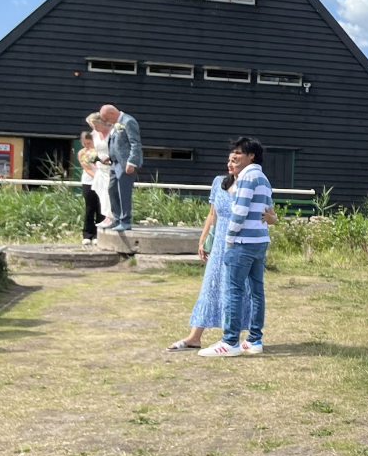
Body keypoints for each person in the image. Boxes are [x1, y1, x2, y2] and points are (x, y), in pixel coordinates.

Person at [167, 149, 276, 352]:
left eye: (235, 159)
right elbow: (212, 214)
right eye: (229, 160)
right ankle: (194, 336)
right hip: (220, 241)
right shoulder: (219, 182)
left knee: (239, 289)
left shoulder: (252, 182)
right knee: (211, 285)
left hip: (239, 240)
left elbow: (270, 214)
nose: (230, 163)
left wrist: (268, 218)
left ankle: (238, 338)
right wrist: (203, 240)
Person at [199, 137, 272, 357]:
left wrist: (229, 238)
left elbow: (239, 211)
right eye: (233, 153)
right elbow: (268, 212)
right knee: (256, 291)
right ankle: (254, 339)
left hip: (242, 243)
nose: (234, 156)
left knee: (234, 290)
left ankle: (230, 341)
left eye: (239, 153)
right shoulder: (263, 178)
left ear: (251, 156)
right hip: (259, 241)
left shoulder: (246, 179)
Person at [99, 103, 142, 231]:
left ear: (112, 113)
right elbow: (116, 143)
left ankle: (125, 220)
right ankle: (116, 218)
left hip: (125, 164)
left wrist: (131, 162)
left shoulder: (128, 122)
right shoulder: (115, 124)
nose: (106, 122)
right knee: (112, 190)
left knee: (124, 192)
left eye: (106, 119)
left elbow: (135, 143)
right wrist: (110, 156)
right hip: (114, 163)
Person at [86, 112, 115, 228]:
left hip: (110, 166)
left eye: (96, 126)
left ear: (102, 122)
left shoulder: (112, 132)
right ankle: (106, 217)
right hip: (101, 168)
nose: (95, 129)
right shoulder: (95, 134)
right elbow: (93, 148)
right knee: (101, 191)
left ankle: (112, 216)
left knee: (109, 192)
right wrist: (92, 157)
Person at [77, 130, 102, 245]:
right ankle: (88, 234)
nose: (87, 146)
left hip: (101, 180)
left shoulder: (99, 151)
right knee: (90, 207)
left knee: (101, 207)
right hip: (89, 181)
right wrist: (96, 177)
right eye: (84, 144)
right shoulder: (82, 153)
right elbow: (87, 169)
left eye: (89, 143)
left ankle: (98, 234)